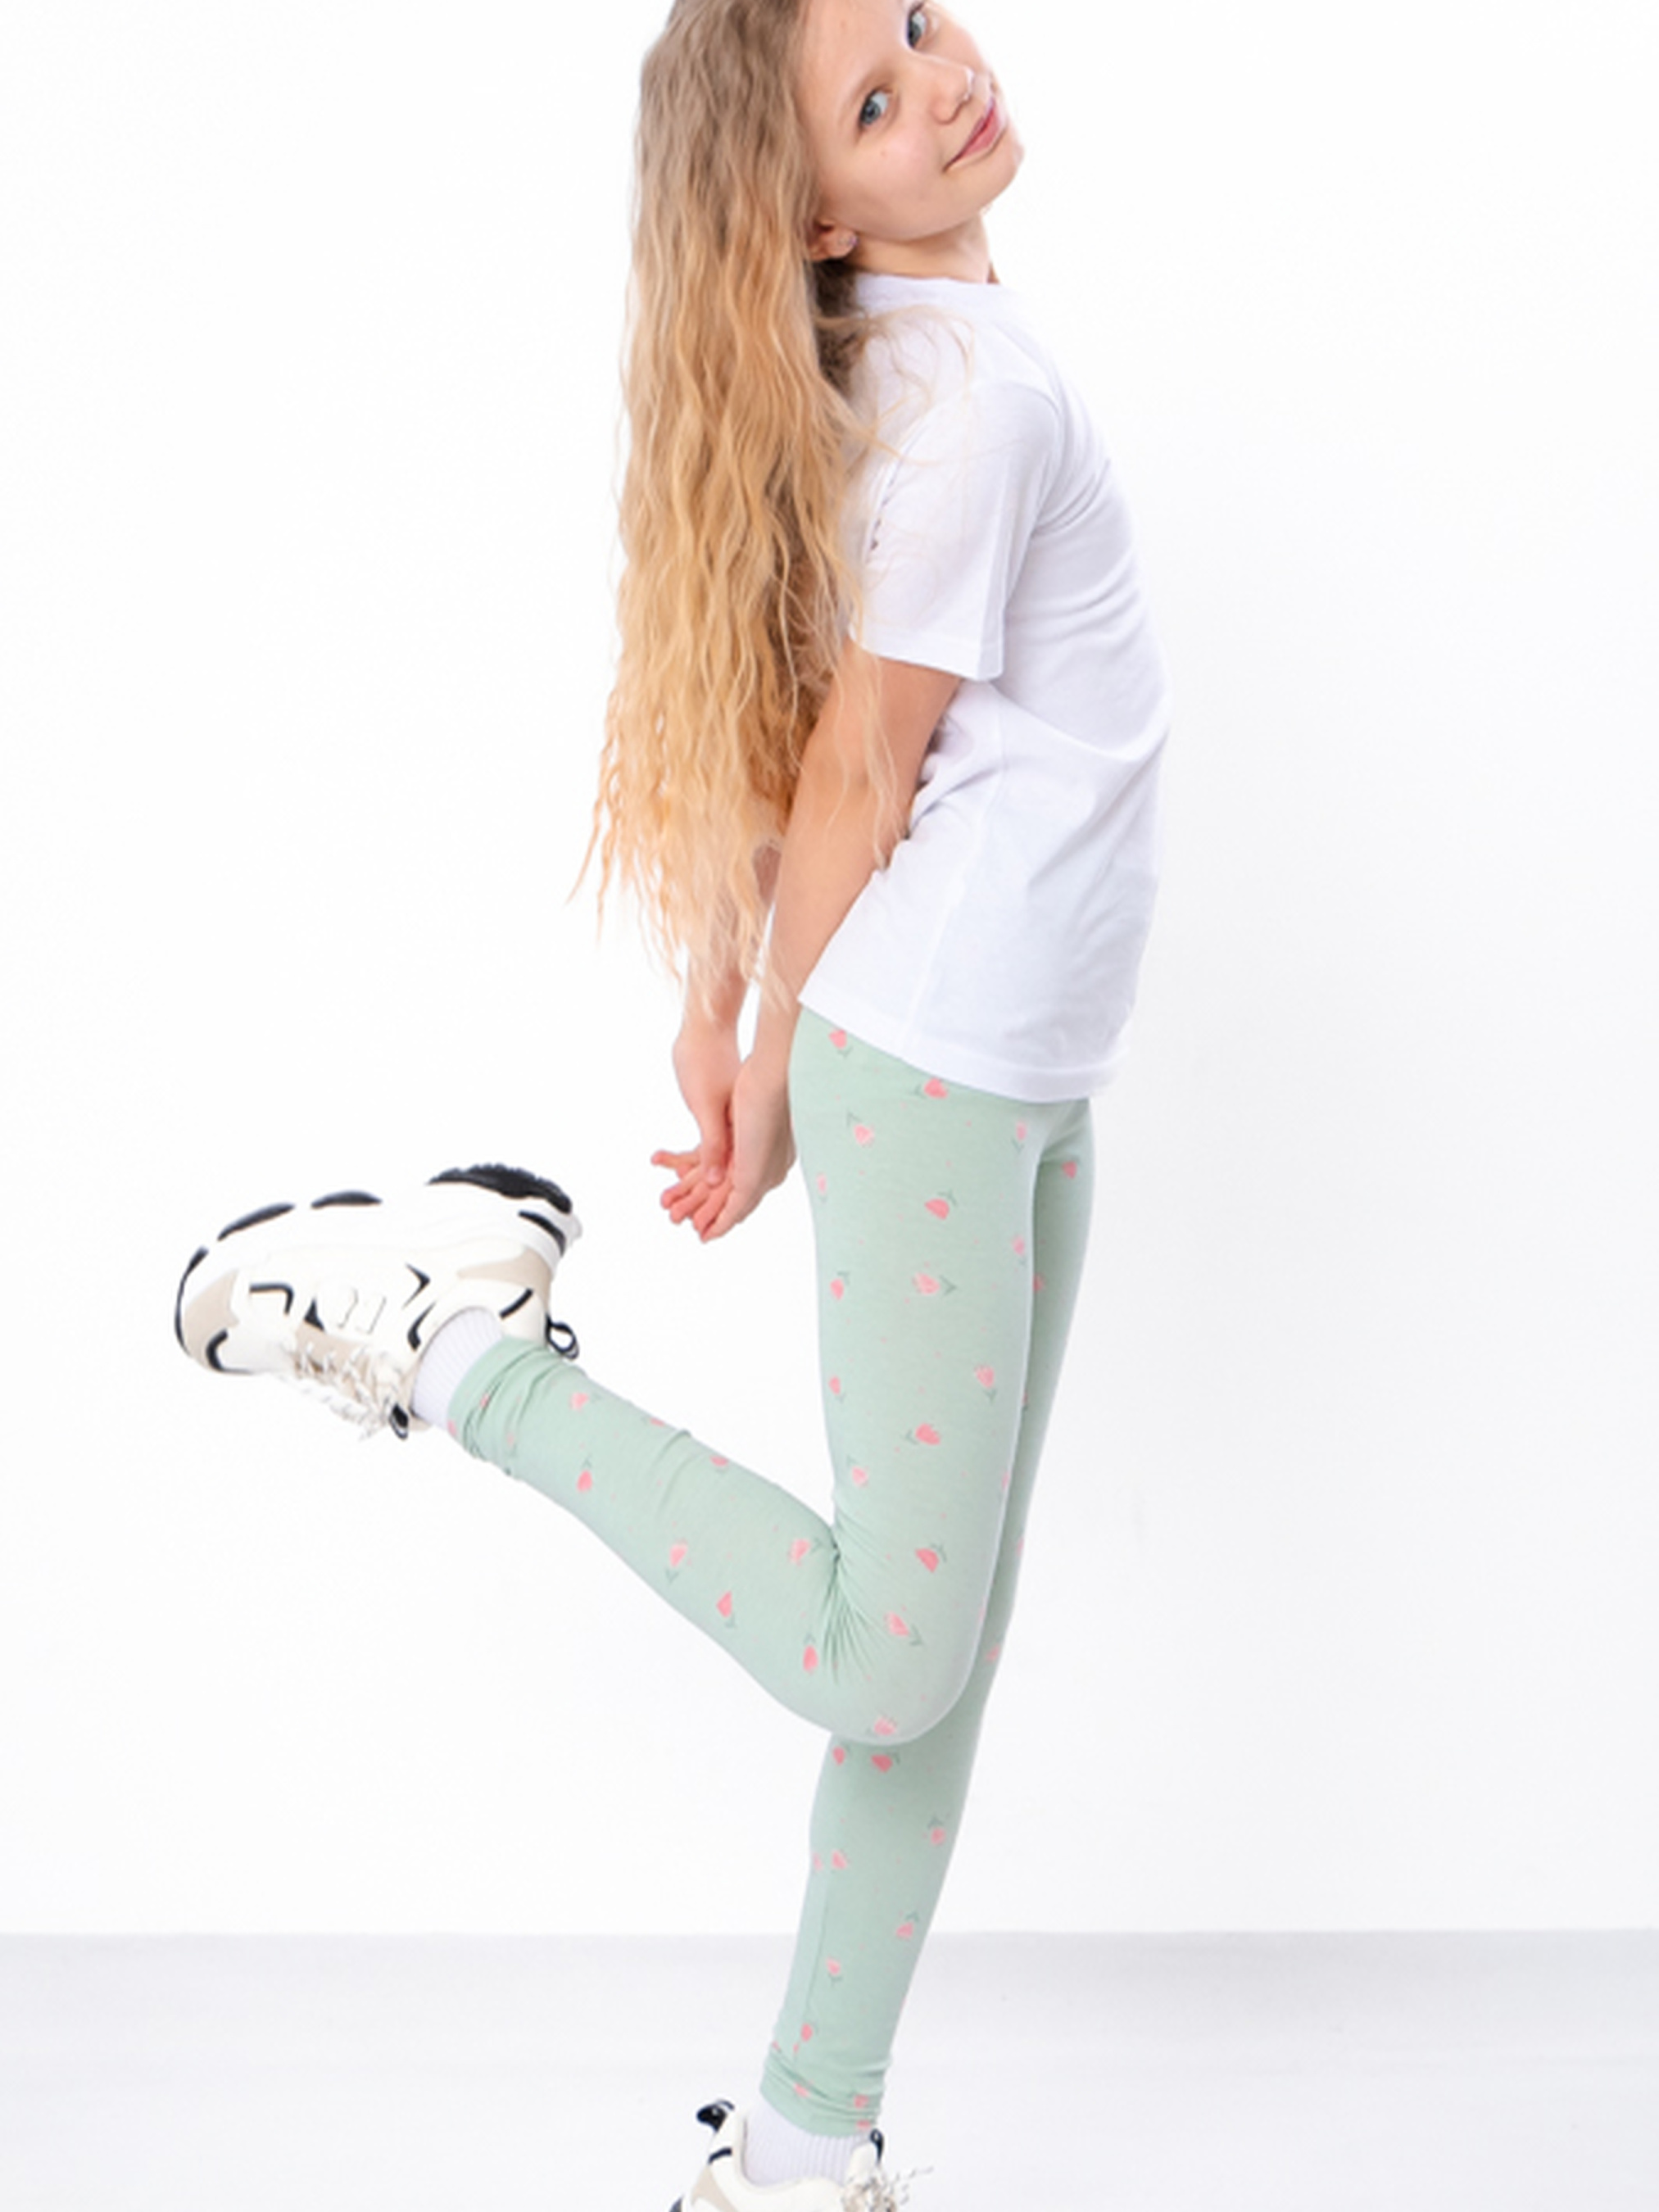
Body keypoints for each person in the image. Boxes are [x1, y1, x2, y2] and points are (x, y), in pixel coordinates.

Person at [175, 0, 1171, 2203]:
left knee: (932, 1659)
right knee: (895, 1651)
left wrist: (724, 1005)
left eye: (917, 26)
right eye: (878, 101)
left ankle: (803, 2144)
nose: (945, 77)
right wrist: (775, 1053)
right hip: (939, 1066)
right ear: (819, 214)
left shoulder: (922, 369)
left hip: (1019, 1073)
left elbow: (790, 713)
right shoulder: (977, 399)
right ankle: (459, 1349)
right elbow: (859, 765)